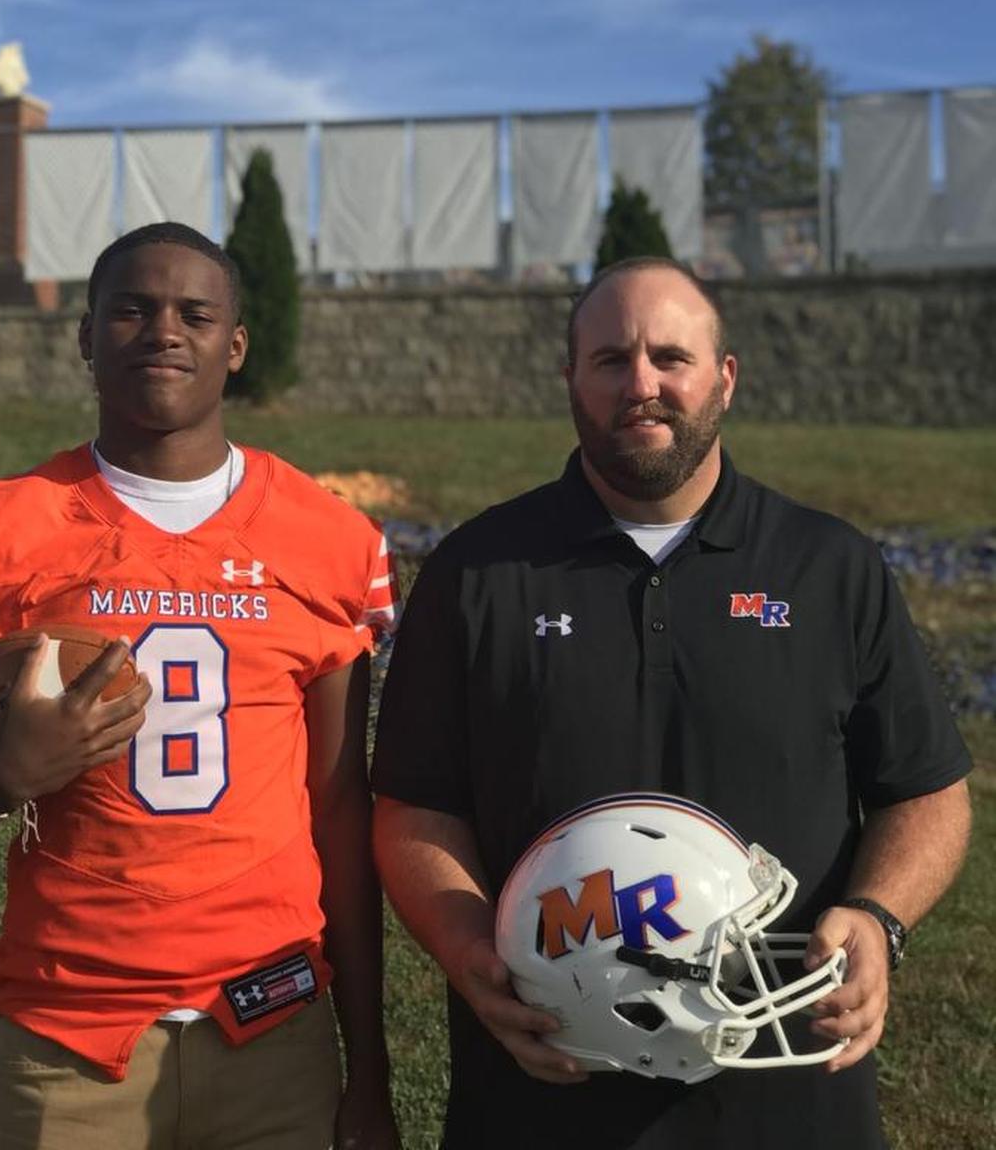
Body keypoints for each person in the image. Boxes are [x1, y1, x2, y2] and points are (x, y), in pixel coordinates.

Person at [371, 256, 972, 1150]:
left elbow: (925, 792)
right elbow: (414, 806)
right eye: (611, 360)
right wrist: (468, 950)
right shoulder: (477, 571)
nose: (642, 385)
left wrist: (881, 916)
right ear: (570, 378)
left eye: (670, 357)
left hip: (786, 1086)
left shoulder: (828, 567)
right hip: (544, 1088)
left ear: (725, 378)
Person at [0, 221, 401, 1150]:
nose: (164, 331)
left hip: (276, 1027)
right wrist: (3, 777)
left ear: (235, 345)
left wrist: (370, 1070)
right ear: (86, 336)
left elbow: (338, 814)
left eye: (195, 314)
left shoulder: (330, 540)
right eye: (132, 309)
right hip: (68, 1037)